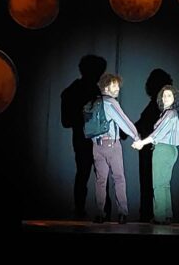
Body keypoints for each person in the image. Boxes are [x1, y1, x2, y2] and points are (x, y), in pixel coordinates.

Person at [60, 55, 111, 220]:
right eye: (98, 72)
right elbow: (66, 121)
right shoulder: (79, 92)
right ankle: (97, 213)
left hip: (90, 140)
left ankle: (85, 212)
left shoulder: (75, 91)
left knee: (87, 175)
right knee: (91, 176)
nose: (99, 76)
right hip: (89, 141)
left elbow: (67, 121)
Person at [132, 84, 179, 224]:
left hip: (163, 150)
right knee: (164, 184)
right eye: (164, 95)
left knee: (158, 184)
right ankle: (167, 215)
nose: (166, 98)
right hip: (169, 150)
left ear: (174, 98)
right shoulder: (167, 113)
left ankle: (160, 217)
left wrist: (142, 143)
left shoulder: (170, 113)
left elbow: (157, 134)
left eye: (169, 95)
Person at [93, 73, 140, 224]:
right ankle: (122, 213)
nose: (118, 88)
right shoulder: (111, 102)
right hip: (112, 146)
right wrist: (136, 137)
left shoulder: (94, 103)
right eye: (114, 85)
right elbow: (123, 121)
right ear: (106, 87)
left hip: (96, 146)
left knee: (100, 181)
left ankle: (100, 214)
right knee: (119, 179)